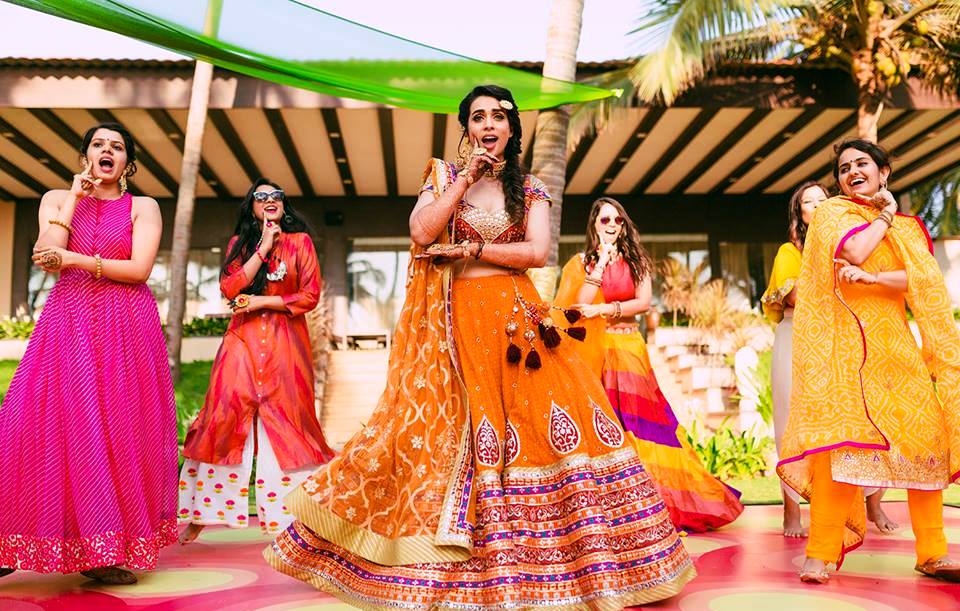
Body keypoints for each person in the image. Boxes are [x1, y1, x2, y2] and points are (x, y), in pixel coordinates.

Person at [265, 85, 694, 608]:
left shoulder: (530, 188)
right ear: (467, 128)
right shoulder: (443, 177)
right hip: (454, 323)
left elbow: (536, 251)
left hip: (517, 323)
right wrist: (467, 177)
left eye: (498, 116)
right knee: (449, 432)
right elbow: (421, 231)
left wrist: (472, 249)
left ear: (512, 130)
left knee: (552, 424)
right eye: (477, 117)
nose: (488, 124)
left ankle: (595, 564)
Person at [0, 122, 177, 584]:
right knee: (42, 424)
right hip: (68, 323)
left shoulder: (144, 206)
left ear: (127, 162)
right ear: (85, 156)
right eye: (98, 144)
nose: (107, 151)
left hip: (126, 329)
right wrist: (76, 198)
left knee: (117, 432)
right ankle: (11, 541)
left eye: (117, 147)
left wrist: (77, 262)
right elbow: (46, 251)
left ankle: (102, 549)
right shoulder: (56, 200)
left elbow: (138, 269)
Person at [778, 139, 960, 584]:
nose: (852, 172)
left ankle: (933, 552)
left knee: (925, 447)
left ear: (884, 172)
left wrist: (876, 276)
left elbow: (919, 280)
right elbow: (854, 251)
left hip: (898, 350)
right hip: (847, 358)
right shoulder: (831, 216)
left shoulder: (910, 229)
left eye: (862, 164)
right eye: (844, 168)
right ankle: (820, 553)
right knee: (844, 451)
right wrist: (883, 215)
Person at [554, 196, 743, 533]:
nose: (612, 226)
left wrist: (607, 310)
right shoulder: (582, 262)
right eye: (605, 221)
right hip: (595, 352)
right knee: (605, 424)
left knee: (641, 425)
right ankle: (612, 506)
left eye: (617, 221)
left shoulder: (636, 260)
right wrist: (599, 265)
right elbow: (579, 305)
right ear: (594, 226)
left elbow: (642, 303)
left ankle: (653, 505)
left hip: (628, 349)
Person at [178, 179, 335, 543]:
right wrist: (263, 248)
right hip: (241, 346)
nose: (268, 201)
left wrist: (262, 302)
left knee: (290, 426)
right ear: (251, 207)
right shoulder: (240, 245)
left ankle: (299, 518)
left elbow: (310, 295)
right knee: (223, 420)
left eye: (275, 196)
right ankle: (202, 511)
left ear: (283, 205)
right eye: (260, 197)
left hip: (286, 349)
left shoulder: (301, 243)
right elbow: (231, 288)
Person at [764, 182, 897, 539]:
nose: (818, 206)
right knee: (789, 421)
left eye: (824, 200)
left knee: (856, 419)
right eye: (809, 202)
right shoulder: (789, 252)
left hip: (841, 337)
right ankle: (791, 509)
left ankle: (872, 503)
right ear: (800, 214)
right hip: (796, 338)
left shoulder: (851, 245)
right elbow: (794, 296)